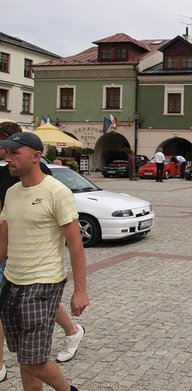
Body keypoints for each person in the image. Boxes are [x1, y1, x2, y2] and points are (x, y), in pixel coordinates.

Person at [0, 132, 89, 391]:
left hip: (43, 284)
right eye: (7, 152)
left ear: (36, 156)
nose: (8, 158)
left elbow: (75, 244)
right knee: (24, 357)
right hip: (12, 281)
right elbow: (4, 242)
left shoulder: (56, 192)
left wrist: (80, 291)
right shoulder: (12, 193)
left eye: (15, 153)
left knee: (33, 361)